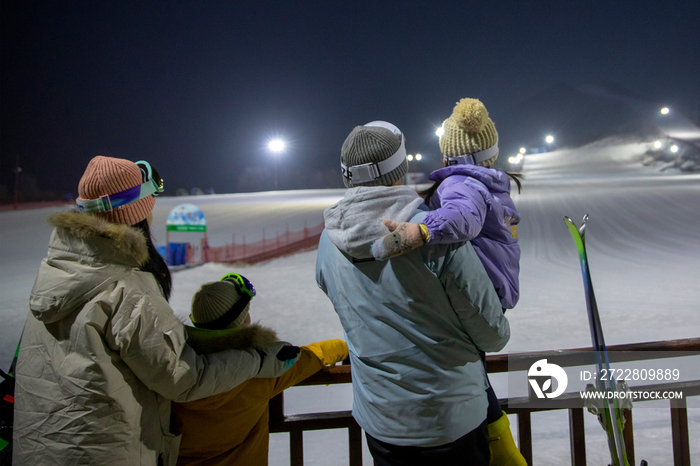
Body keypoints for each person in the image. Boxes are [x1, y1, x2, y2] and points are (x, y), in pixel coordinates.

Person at [12, 156, 300, 466]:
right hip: (101, 454)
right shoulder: (128, 288)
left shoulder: (57, 269)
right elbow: (184, 377)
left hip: (38, 450)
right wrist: (260, 359)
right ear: (137, 214)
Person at [316, 121, 511, 465]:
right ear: (401, 167)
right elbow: (492, 333)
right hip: (450, 421)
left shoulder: (327, 243)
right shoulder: (432, 236)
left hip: (380, 420)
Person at [371, 99, 526, 465]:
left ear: (449, 156)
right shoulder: (490, 182)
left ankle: (501, 449)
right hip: (495, 290)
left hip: (480, 291)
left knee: (470, 372)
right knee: (476, 371)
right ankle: (501, 445)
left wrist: (421, 231)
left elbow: (462, 219)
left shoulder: (462, 183)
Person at [173, 274, 349, 465]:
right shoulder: (262, 369)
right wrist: (342, 348)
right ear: (242, 321)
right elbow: (310, 357)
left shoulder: (169, 369)